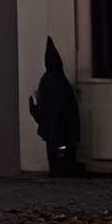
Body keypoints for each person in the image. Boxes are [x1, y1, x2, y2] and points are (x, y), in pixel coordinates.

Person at [27, 38, 83, 176]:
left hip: (53, 130)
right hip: (65, 130)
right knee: (65, 151)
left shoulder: (46, 81)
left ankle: (58, 170)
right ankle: (66, 169)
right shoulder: (62, 81)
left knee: (55, 153)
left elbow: (39, 105)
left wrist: (42, 120)